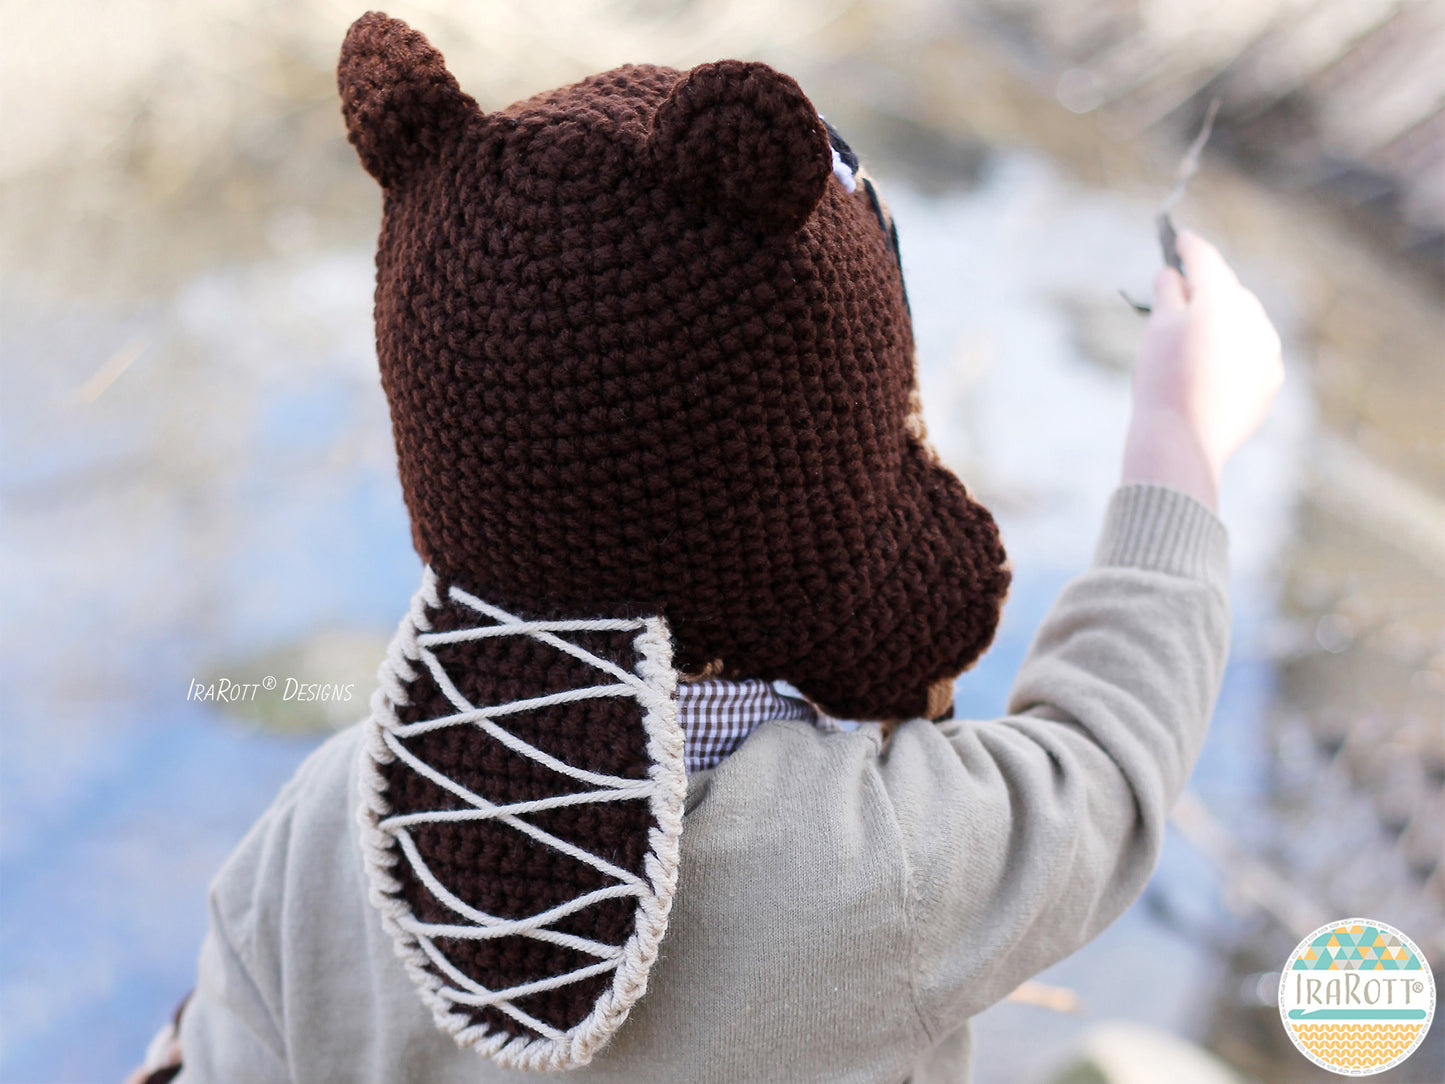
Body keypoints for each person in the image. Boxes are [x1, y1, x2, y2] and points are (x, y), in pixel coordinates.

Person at [135, 14, 1282, 1083]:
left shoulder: (330, 826)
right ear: (816, 483)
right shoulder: (881, 865)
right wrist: (1176, 443)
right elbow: (1102, 769)